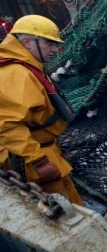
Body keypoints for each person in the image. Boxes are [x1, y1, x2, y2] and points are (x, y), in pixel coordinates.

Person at [0, 15, 83, 205]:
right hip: (33, 156)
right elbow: (7, 127)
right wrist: (38, 163)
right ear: (28, 42)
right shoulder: (15, 74)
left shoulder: (27, 65)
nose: (55, 50)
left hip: (45, 149)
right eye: (49, 43)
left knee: (71, 202)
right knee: (64, 214)